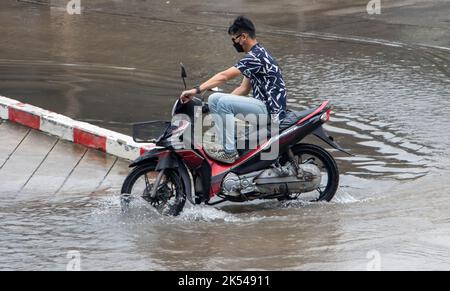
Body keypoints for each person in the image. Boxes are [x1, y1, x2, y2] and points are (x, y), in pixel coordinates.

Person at [179, 16, 287, 163]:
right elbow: (243, 89)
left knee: (222, 102)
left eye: (234, 39)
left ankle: (229, 152)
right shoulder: (255, 55)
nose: (234, 43)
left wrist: (196, 90)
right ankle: (226, 147)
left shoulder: (256, 57)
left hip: (271, 111)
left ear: (243, 37)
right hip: (262, 106)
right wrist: (212, 107)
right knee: (214, 99)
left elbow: (224, 76)